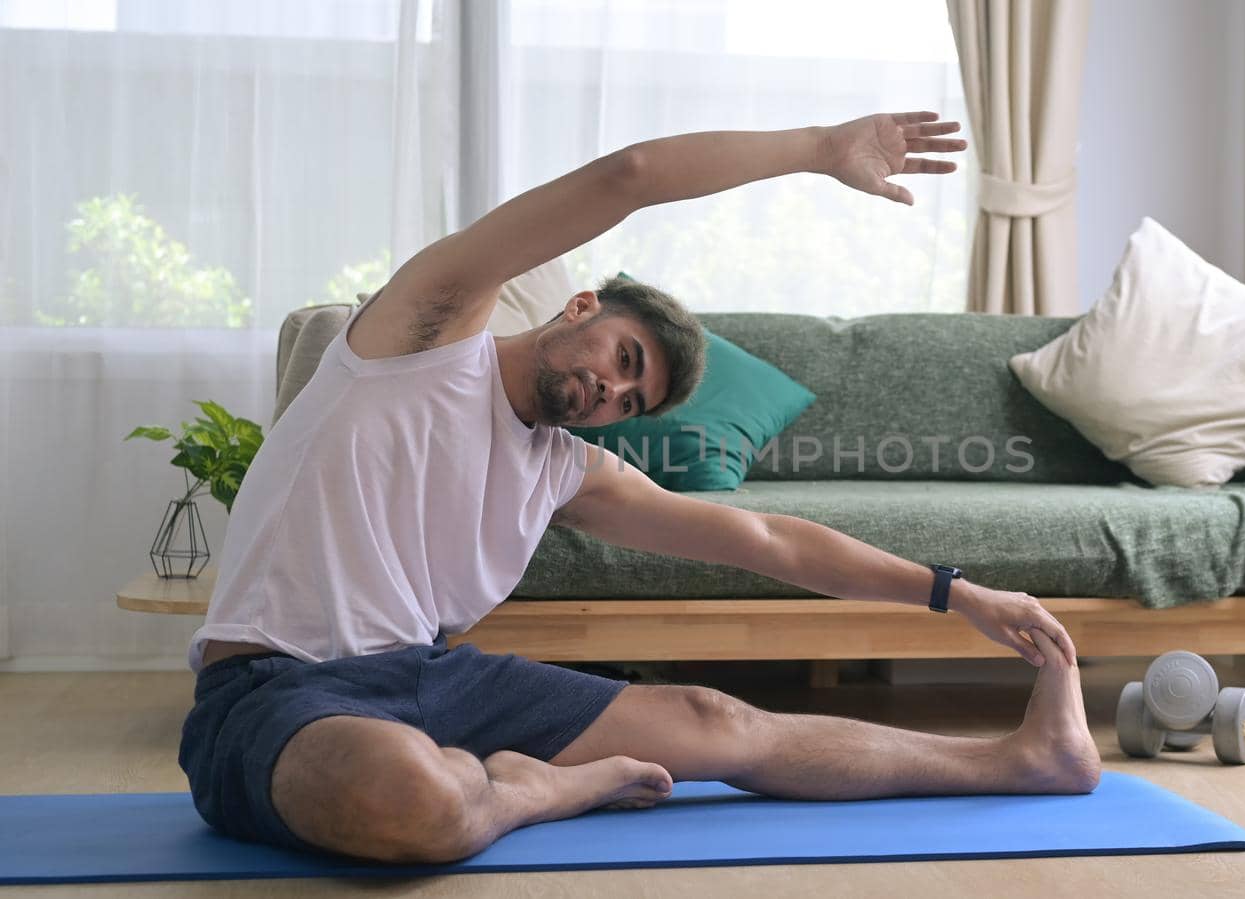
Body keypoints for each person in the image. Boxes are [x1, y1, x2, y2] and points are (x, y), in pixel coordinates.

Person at [179, 111, 1100, 864]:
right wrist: (818, 149)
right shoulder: (419, 339)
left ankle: (1023, 757)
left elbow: (768, 541)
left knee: (715, 718)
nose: (612, 391)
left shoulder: (562, 468)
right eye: (623, 357)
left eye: (633, 397)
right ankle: (539, 789)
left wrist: (957, 591)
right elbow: (631, 172)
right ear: (580, 308)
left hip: (430, 681)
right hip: (278, 689)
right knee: (414, 798)